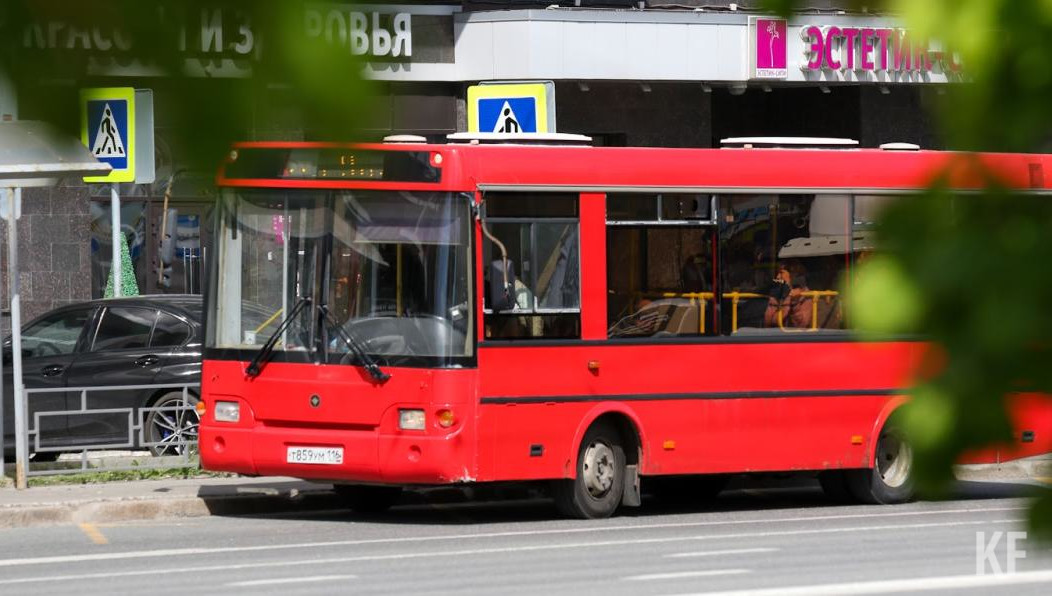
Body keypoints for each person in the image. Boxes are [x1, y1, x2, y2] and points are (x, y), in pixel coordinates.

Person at [764, 260, 813, 329]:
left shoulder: (805, 295)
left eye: (781, 273)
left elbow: (801, 325)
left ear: (794, 275)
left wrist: (795, 302)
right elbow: (768, 321)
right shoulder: (778, 293)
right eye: (777, 273)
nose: (778, 277)